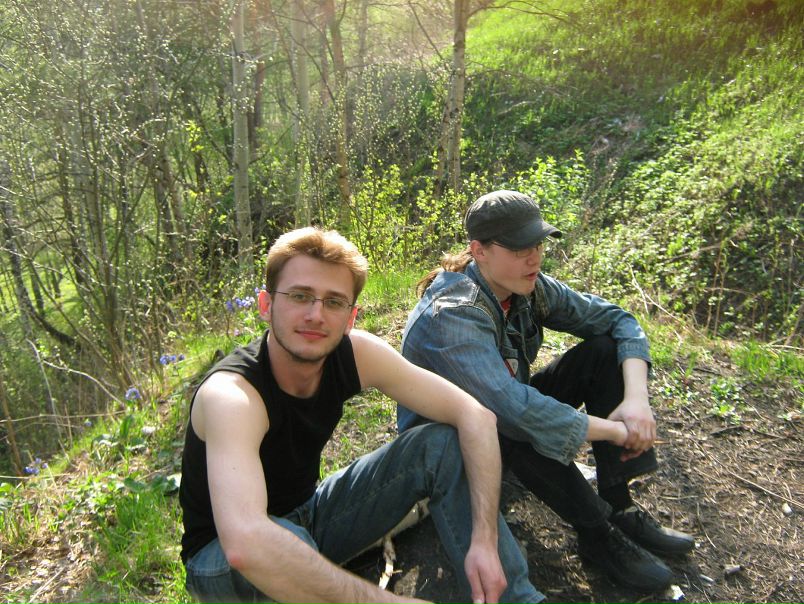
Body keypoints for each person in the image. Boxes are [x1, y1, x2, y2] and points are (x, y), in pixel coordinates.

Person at [179, 226, 543, 604]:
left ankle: (518, 599)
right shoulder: (233, 396)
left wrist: (484, 539)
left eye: (334, 302)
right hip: (220, 561)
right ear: (266, 305)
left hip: (310, 514)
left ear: (351, 317)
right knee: (282, 543)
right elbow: (246, 544)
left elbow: (475, 416)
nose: (316, 314)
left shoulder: (355, 354)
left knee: (440, 443)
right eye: (300, 296)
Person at [399, 190, 695, 593]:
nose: (534, 258)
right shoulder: (451, 315)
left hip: (502, 415)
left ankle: (619, 506)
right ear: (479, 251)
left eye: (537, 244)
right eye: (520, 248)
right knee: (514, 424)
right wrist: (617, 431)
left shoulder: (526, 286)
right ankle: (597, 533)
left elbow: (617, 320)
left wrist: (637, 401)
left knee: (603, 351)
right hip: (450, 450)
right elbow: (514, 410)